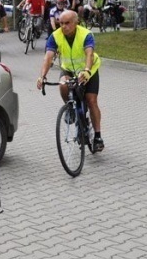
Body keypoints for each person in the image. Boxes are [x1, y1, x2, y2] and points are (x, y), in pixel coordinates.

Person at [36, 10, 104, 152]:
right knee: (63, 84)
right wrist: (42, 76)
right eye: (61, 23)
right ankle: (71, 108)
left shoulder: (86, 34)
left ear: (76, 22)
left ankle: (97, 136)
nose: (63, 26)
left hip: (88, 70)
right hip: (69, 69)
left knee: (91, 101)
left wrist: (87, 70)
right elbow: (48, 57)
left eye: (67, 23)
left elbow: (89, 54)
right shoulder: (55, 36)